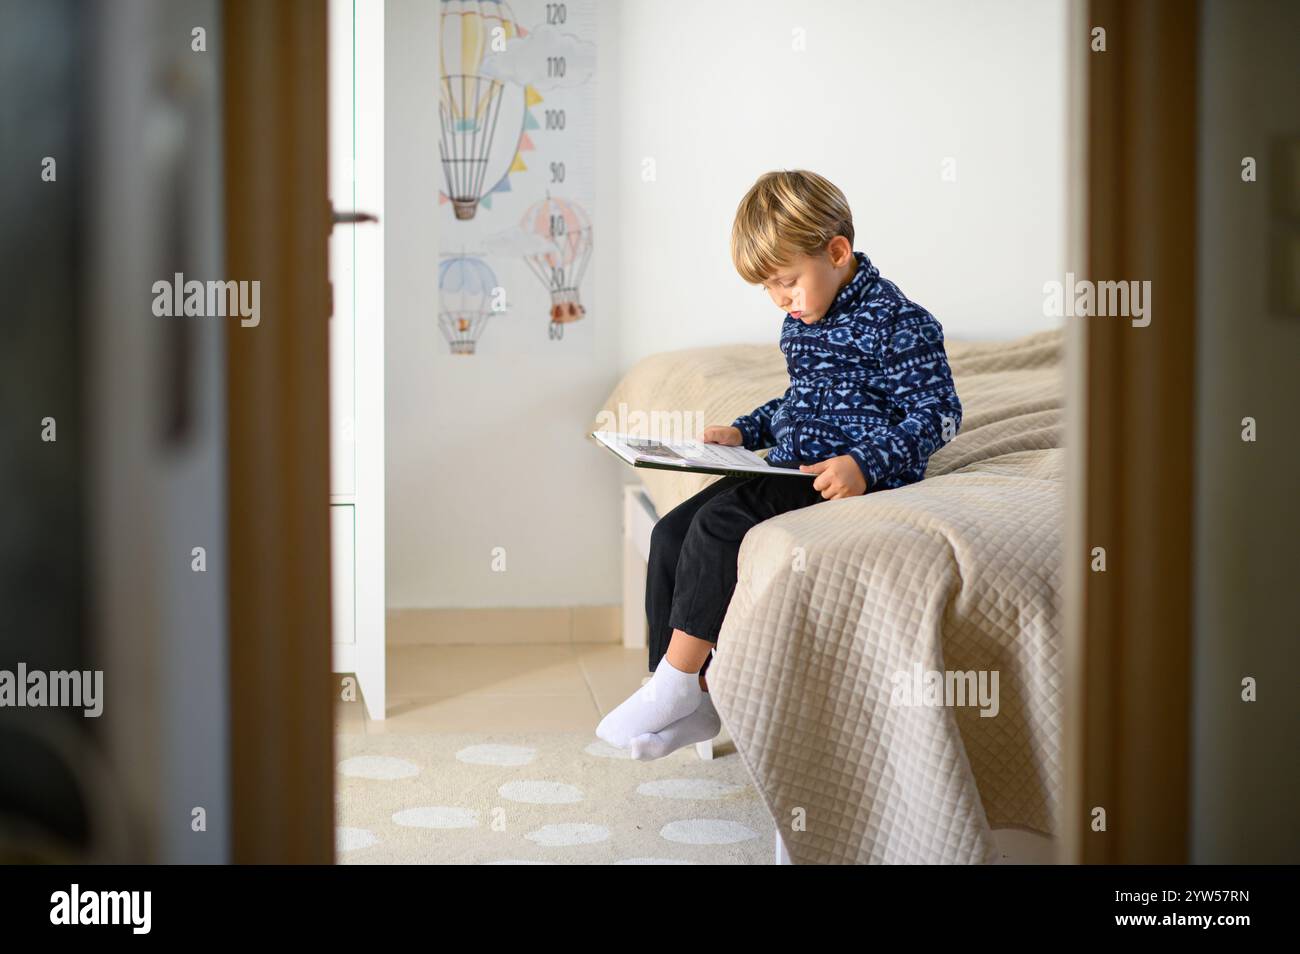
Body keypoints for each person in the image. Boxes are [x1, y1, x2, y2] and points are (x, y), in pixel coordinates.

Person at [596, 169, 964, 760]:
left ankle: (678, 683)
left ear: (837, 253)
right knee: (670, 533)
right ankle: (688, 694)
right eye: (768, 288)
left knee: (718, 530)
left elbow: (940, 412)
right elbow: (800, 400)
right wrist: (746, 428)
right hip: (788, 465)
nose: (781, 300)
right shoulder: (802, 321)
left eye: (787, 282)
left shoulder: (902, 323)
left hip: (837, 478)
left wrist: (866, 464)